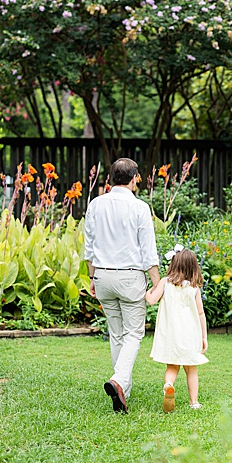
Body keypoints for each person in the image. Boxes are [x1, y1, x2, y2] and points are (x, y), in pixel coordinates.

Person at [82, 157, 161, 414]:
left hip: (103, 276)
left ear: (111, 179)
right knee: (134, 334)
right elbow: (148, 252)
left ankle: (122, 390)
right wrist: (157, 283)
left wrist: (92, 277)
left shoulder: (96, 205)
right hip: (129, 278)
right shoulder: (139, 208)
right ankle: (118, 381)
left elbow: (90, 247)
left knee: (116, 334)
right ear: (134, 178)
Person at [148, 246, 209, 413]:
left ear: (173, 264)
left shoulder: (165, 283)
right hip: (190, 334)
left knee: (172, 366)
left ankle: (169, 385)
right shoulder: (194, 288)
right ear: (193, 267)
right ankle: (194, 402)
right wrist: (204, 337)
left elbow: (152, 300)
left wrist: (148, 292)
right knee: (191, 369)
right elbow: (201, 313)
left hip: (171, 335)